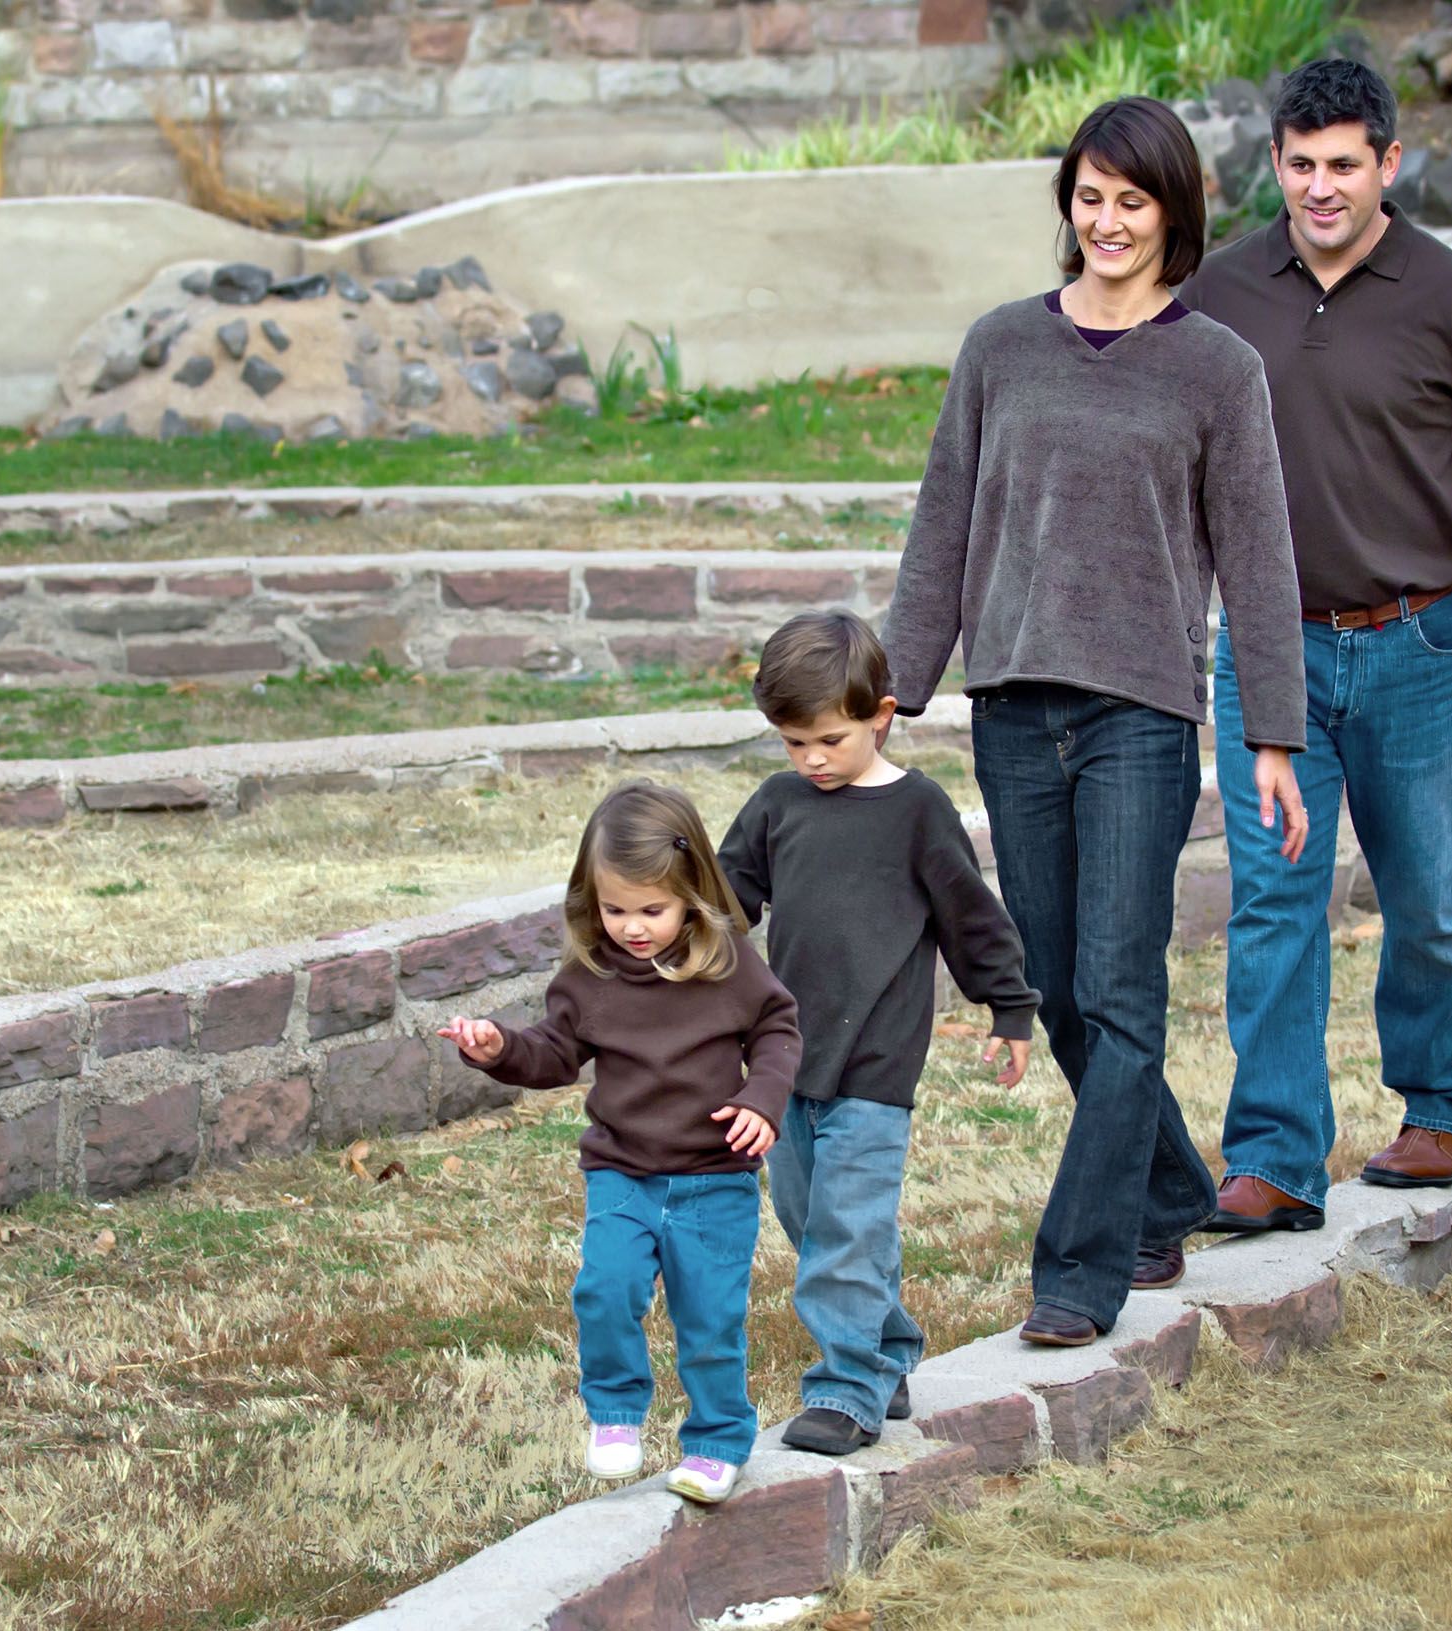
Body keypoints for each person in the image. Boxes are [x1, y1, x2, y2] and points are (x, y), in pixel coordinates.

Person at [882, 95, 1311, 1349]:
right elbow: (942, 519)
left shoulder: (1218, 368)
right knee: (1060, 988)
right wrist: (895, 685)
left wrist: (1271, 729)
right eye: (1090, 195)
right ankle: (1173, 1185)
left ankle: (1084, 1265)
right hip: (1014, 702)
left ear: (1172, 212)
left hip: (1140, 711)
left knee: (1122, 991)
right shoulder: (1000, 347)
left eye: (1133, 200)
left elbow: (1260, 558)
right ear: (1067, 203)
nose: (1107, 220)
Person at [1185, 57, 1452, 1228]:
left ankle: (1443, 1103)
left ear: (1388, 164)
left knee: (1429, 898)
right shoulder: (1216, 294)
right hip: (1267, 653)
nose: (1318, 187)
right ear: (1277, 165)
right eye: (1298, 165)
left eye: (1342, 164)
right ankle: (1272, 1158)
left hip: (1415, 643)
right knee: (1272, 904)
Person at [718, 609, 1040, 1455]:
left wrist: (1009, 1007)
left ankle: (848, 1389)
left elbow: (973, 919)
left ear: (881, 714)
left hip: (875, 1065)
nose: (812, 759)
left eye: (829, 739)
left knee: (847, 1232)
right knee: (808, 1216)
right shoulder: (779, 804)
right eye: (793, 744)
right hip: (784, 1062)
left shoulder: (918, 811)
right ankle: (890, 1348)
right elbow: (728, 899)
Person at [440, 780, 799, 1506]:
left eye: (652, 910)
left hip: (714, 1178)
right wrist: (499, 1048)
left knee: (709, 1321)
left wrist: (762, 1097)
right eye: (614, 909)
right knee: (604, 1288)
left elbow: (777, 1028)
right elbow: (552, 1054)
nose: (632, 927)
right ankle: (614, 1414)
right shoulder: (591, 975)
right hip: (623, 1173)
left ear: (693, 890)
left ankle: (718, 1441)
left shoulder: (728, 964)